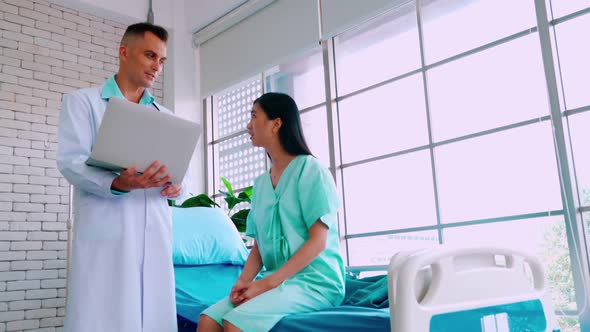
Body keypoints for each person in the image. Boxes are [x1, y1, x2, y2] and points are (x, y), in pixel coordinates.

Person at [57, 22, 188, 332]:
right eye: (149, 55)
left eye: (161, 60)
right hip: (106, 230)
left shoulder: (165, 117)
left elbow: (183, 181)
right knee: (101, 314)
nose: (157, 66)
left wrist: (176, 186)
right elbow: (70, 162)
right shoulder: (83, 103)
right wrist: (117, 183)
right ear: (124, 52)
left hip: (154, 231)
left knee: (151, 316)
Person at [198, 93, 346, 332]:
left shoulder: (311, 171)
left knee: (235, 323)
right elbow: (259, 246)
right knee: (208, 321)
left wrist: (267, 284)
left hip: (315, 282)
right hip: (277, 283)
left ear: (276, 123)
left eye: (254, 116)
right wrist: (243, 282)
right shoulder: (260, 185)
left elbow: (318, 242)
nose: (248, 124)